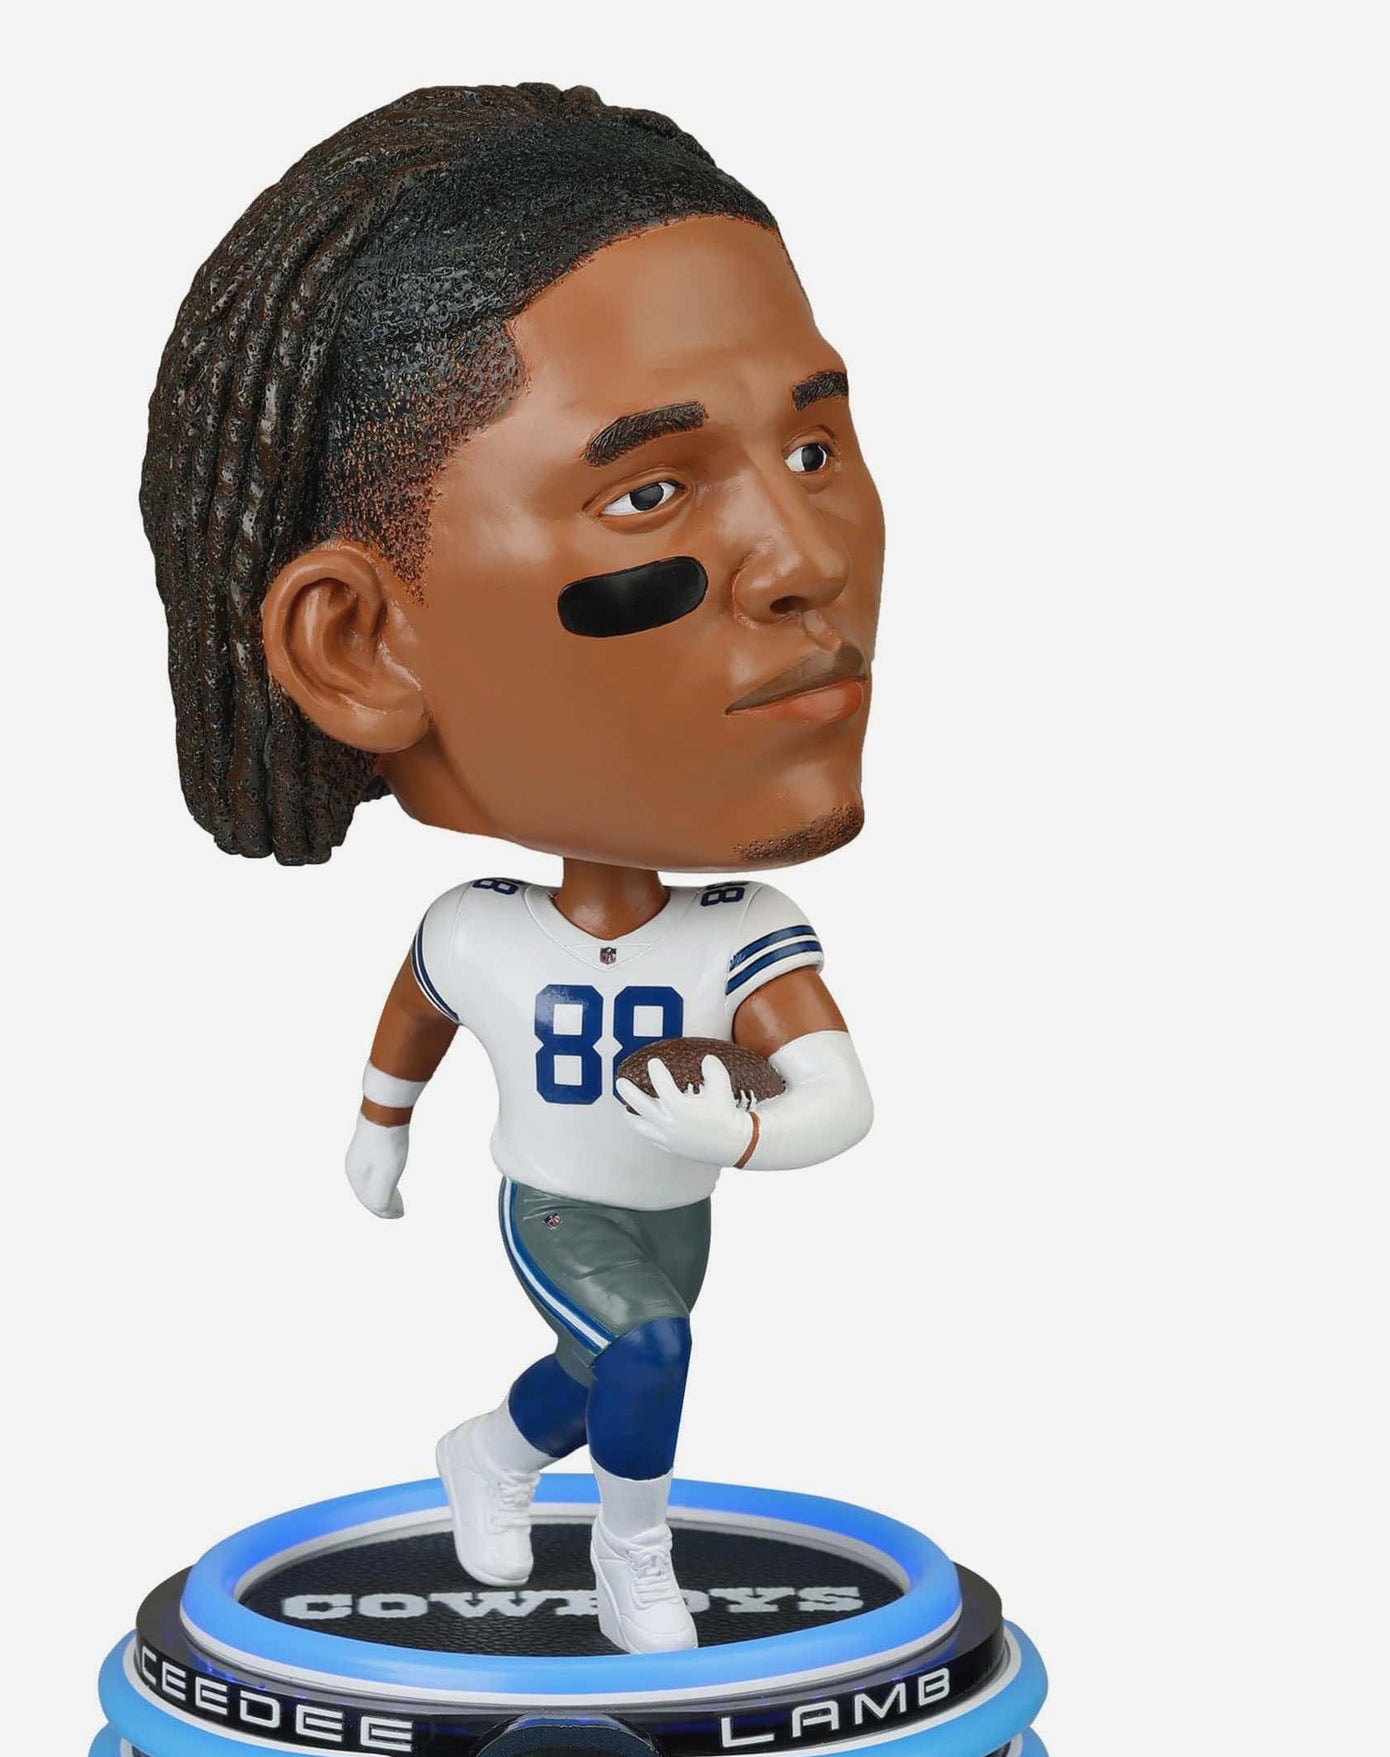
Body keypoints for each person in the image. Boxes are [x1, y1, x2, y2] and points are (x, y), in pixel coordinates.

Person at [141, 84, 884, 1652]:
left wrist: (747, 1132)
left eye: (816, 445)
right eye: (649, 491)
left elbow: (835, 1094)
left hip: (674, 1203)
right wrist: (378, 1135)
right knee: (651, 1358)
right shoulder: (480, 932)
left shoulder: (744, 935)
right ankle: (631, 1558)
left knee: (601, 1367)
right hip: (557, 1204)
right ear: (360, 645)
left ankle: (491, 1454)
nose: (810, 559)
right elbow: (416, 1019)